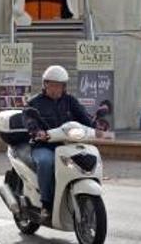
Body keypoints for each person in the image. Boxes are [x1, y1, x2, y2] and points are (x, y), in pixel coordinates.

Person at [24, 65, 94, 224]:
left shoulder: (70, 101)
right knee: (47, 162)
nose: (56, 89)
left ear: (64, 86)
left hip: (67, 145)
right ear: (45, 84)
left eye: (60, 85)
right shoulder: (34, 102)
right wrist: (37, 132)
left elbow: (85, 120)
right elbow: (29, 120)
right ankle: (46, 204)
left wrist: (95, 129)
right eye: (52, 85)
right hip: (43, 146)